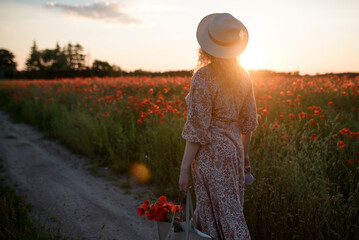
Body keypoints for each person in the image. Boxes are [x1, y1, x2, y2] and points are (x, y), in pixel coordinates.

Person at [178, 13, 258, 239]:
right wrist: (244, 156)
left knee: (224, 217)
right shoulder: (244, 77)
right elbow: (248, 124)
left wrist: (184, 168)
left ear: (206, 47)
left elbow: (196, 129)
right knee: (225, 212)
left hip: (211, 154)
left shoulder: (203, 77)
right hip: (234, 150)